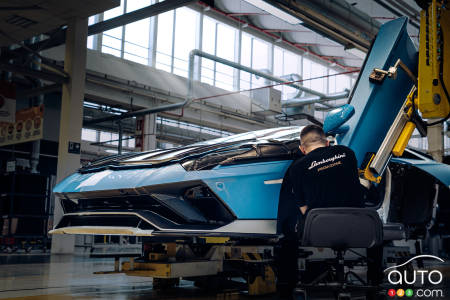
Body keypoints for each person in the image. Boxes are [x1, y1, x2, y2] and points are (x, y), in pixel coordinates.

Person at [276, 124, 364, 298]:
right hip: (359, 226)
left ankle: (288, 289)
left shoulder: (296, 168)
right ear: (327, 143)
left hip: (320, 229)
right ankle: (376, 283)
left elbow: (303, 210)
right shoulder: (347, 153)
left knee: (287, 237)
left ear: (302, 149)